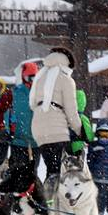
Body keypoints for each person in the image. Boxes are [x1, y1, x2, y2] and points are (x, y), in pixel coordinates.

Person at [29, 48, 81, 182]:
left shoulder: (40, 77)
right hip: (57, 130)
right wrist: (79, 130)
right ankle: (54, 201)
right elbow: (71, 111)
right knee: (60, 171)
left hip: (38, 130)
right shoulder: (65, 79)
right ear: (67, 63)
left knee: (51, 169)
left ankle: (48, 198)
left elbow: (33, 103)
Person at [0, 61, 40, 174]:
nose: (33, 81)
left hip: (36, 140)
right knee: (18, 172)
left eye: (35, 78)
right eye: (30, 78)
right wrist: (1, 128)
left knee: (32, 172)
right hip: (18, 140)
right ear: (24, 77)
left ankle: (32, 191)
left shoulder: (42, 93)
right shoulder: (13, 93)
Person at [68, 89, 96, 157]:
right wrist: (92, 139)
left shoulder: (66, 116)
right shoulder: (83, 118)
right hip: (78, 146)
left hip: (65, 145)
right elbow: (89, 134)